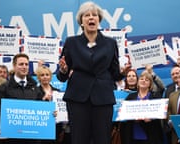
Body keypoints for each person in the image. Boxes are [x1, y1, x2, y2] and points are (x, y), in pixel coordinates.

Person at [56, 1, 130, 144]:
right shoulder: (72, 42)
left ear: (99, 20)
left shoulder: (110, 43)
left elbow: (115, 74)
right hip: (77, 98)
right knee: (79, 139)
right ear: (81, 21)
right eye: (87, 15)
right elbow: (61, 76)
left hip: (103, 98)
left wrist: (123, 72)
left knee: (102, 138)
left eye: (94, 15)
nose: (91, 18)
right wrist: (64, 70)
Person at [0, 53, 51, 144]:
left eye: (26, 64)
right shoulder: (4, 87)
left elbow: (42, 110)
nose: (24, 67)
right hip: (11, 137)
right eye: (21, 64)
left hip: (32, 138)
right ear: (14, 66)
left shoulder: (35, 87)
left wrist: (51, 112)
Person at [120, 72, 164, 144]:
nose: (143, 81)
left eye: (147, 80)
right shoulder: (130, 97)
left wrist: (151, 118)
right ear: (138, 82)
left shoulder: (156, 96)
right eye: (141, 79)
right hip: (133, 134)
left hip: (151, 134)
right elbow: (123, 114)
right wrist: (133, 118)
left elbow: (161, 115)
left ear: (150, 84)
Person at [36, 66, 70, 144]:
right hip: (42, 126)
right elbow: (34, 108)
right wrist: (43, 99)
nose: (45, 77)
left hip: (56, 127)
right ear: (38, 77)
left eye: (47, 75)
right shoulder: (35, 91)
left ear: (50, 76)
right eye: (42, 75)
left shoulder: (57, 92)